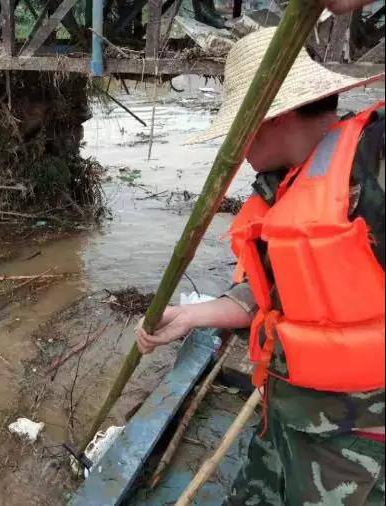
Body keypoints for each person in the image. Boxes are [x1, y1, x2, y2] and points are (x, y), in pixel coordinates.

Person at [135, 22, 385, 506]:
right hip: (287, 413)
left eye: (240, 128)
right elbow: (269, 292)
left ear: (274, 117)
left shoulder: (374, 165)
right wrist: (190, 316)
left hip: (359, 443)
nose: (238, 147)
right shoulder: (281, 187)